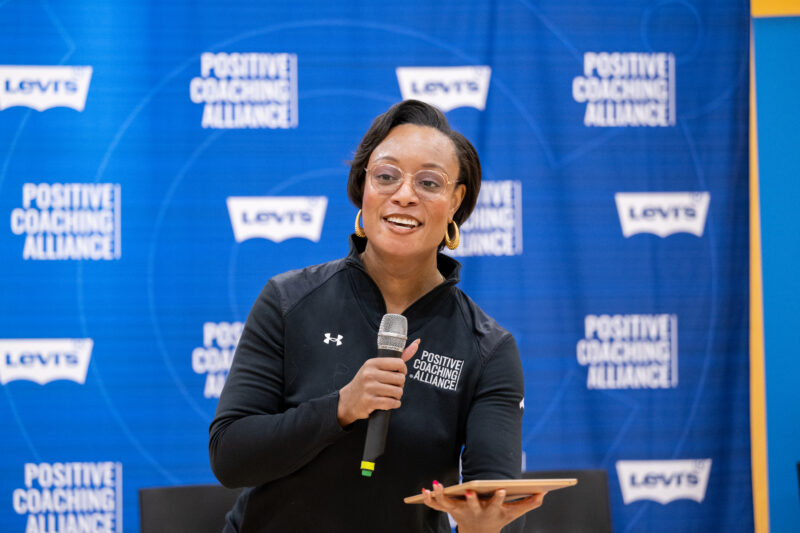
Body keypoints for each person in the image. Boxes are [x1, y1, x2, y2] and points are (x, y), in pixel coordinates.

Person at [209, 99, 544, 532]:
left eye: (429, 182)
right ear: (363, 187)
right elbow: (230, 457)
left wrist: (483, 527)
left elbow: (494, 500)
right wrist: (341, 408)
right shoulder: (288, 301)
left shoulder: (487, 349)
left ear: (456, 201)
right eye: (386, 176)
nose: (404, 195)